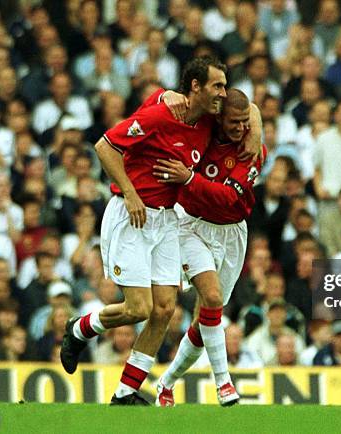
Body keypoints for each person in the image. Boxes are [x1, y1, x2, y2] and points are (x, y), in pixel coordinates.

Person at [60, 57, 229, 405]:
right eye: (217, 86)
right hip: (131, 215)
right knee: (138, 308)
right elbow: (105, 147)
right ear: (195, 86)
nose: (222, 94)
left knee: (164, 309)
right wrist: (131, 193)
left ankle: (126, 392)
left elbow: (250, 112)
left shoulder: (208, 122)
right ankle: (80, 328)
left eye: (225, 86)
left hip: (166, 219)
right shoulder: (158, 115)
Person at [152, 89, 266, 406]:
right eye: (235, 122)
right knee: (213, 299)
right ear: (219, 117)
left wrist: (188, 179)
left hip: (232, 233)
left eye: (246, 122)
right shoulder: (202, 131)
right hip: (191, 225)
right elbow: (179, 104)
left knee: (206, 324)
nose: (241, 128)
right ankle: (224, 384)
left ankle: (166, 382)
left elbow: (228, 197)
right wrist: (166, 95)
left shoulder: (253, 150)